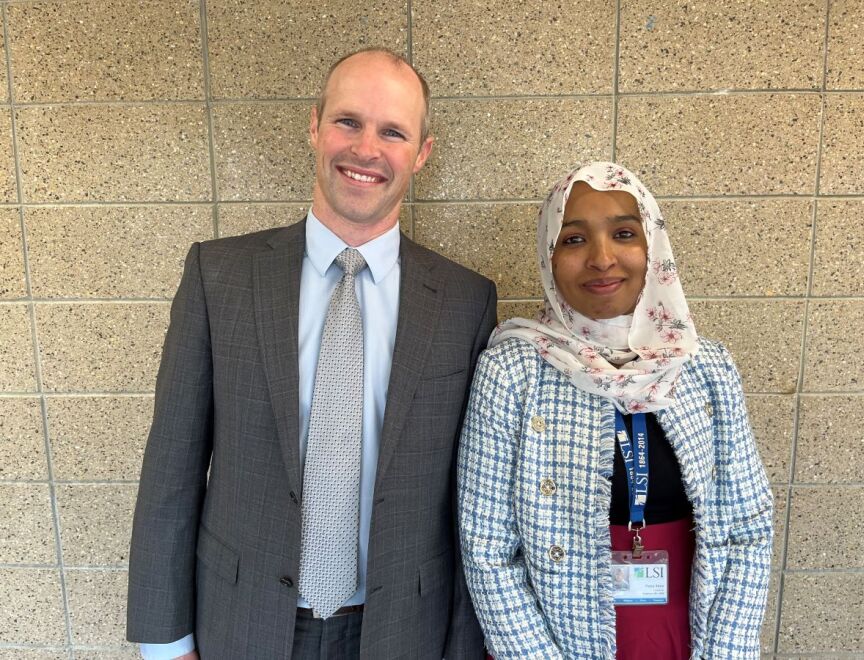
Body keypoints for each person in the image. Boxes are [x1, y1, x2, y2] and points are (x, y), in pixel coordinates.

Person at [127, 48, 496, 660]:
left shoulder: (464, 301)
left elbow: (471, 503)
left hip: (403, 630)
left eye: (393, 132)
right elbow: (172, 468)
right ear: (314, 126)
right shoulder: (218, 277)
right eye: (348, 121)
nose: (366, 149)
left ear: (423, 153)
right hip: (241, 623)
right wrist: (166, 642)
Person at [458, 162, 772, 659]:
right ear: (549, 254)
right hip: (558, 636)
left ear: (653, 248)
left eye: (624, 233)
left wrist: (729, 649)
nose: (602, 258)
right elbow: (488, 549)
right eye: (575, 239)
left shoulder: (704, 366)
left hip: (692, 632)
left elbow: (748, 528)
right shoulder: (513, 371)